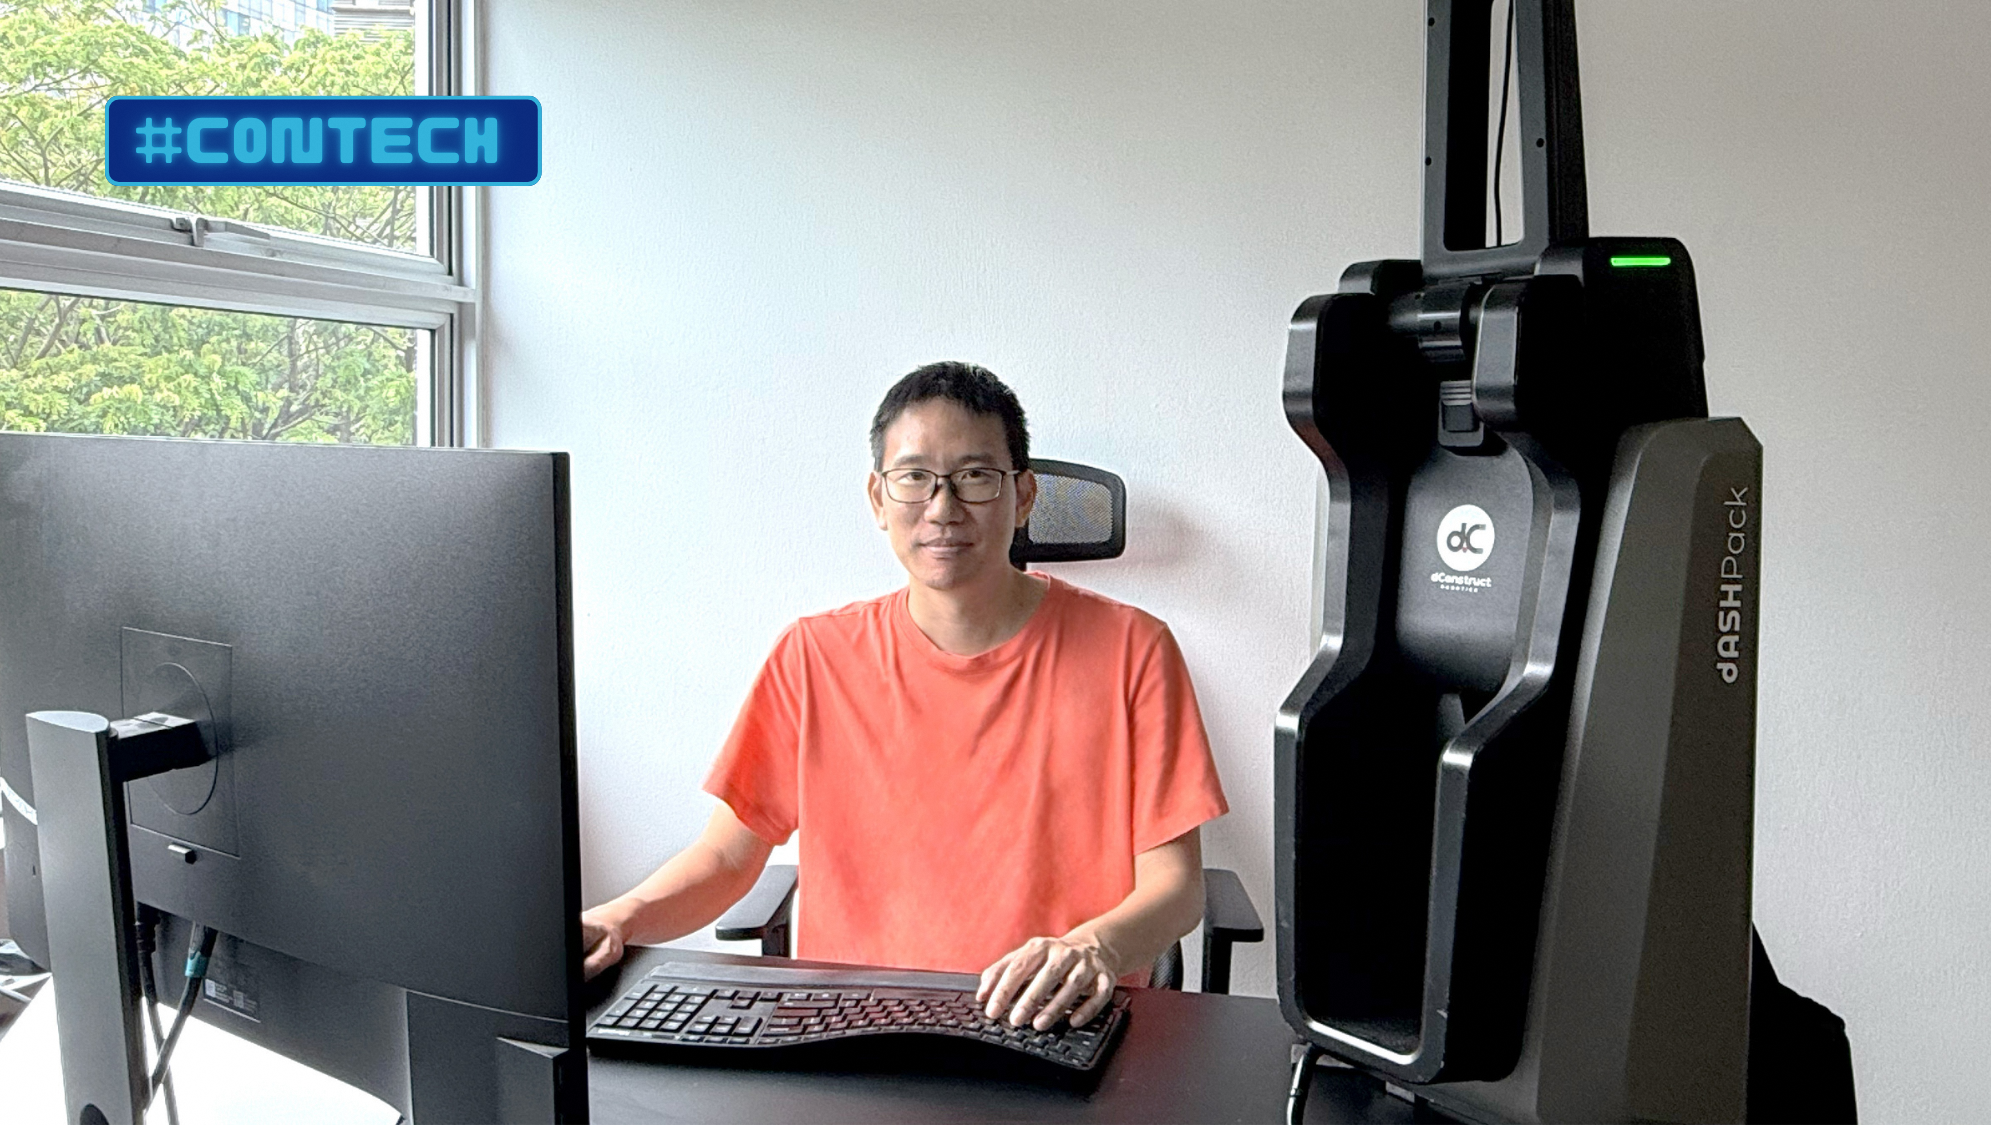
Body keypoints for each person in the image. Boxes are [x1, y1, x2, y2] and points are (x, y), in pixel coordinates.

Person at [580, 361, 1228, 1032]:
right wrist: (616, 917)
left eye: (974, 476)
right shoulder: (812, 656)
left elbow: (1175, 885)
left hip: (1052, 1022)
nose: (943, 508)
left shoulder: (1134, 650)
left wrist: (1093, 945)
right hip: (853, 1029)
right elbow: (724, 858)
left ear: (1024, 494)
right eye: (915, 477)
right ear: (877, 498)